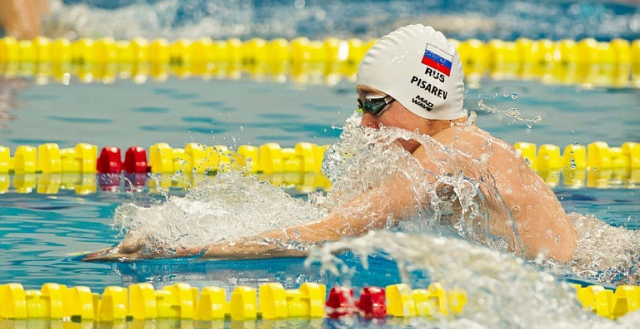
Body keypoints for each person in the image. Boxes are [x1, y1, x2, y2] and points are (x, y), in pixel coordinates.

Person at [85, 24, 578, 263]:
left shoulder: (449, 156)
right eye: (361, 105)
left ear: (422, 97)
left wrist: (182, 251)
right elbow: (324, 215)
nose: (364, 124)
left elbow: (333, 231)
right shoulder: (446, 146)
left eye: (376, 105)